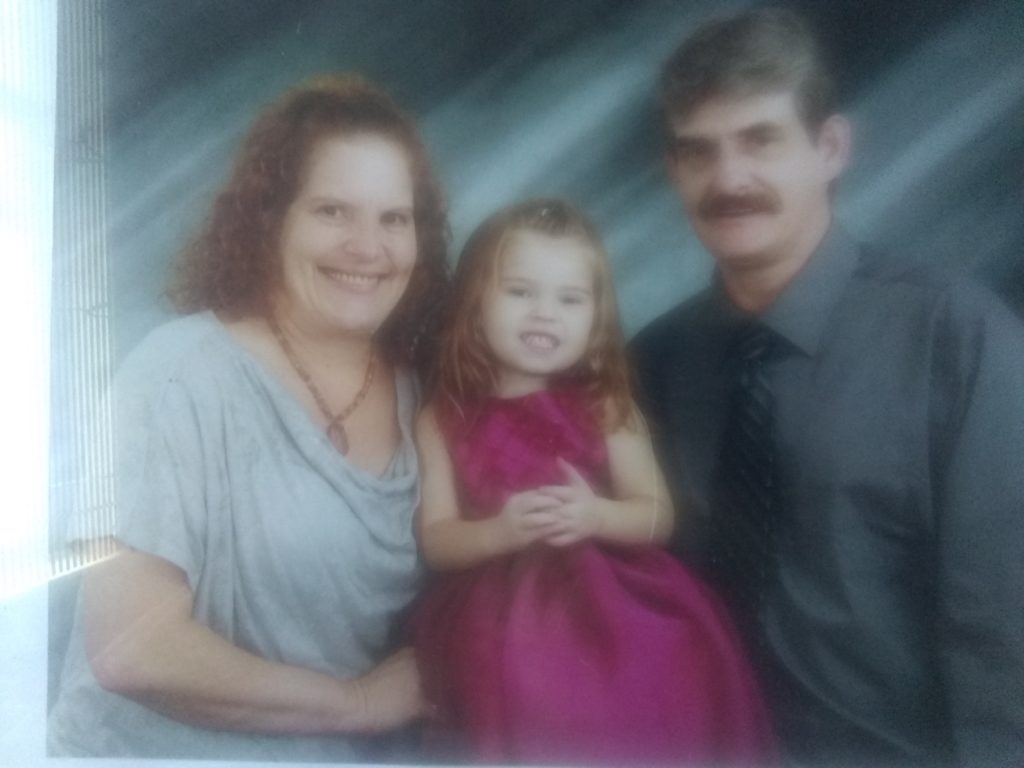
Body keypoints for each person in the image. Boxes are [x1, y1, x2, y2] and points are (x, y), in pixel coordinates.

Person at [630, 7, 1024, 768]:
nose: (729, 179)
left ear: (831, 147)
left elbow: (1005, 633)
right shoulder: (653, 365)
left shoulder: (958, 341)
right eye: (698, 151)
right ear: (673, 171)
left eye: (760, 140)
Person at [47, 74, 450, 761]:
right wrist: (355, 704)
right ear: (270, 221)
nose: (368, 246)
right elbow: (130, 647)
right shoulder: (178, 375)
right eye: (332, 211)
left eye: (394, 218)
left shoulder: (429, 400)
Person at [411, 198, 775, 766]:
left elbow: (656, 513)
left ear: (595, 318)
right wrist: (499, 532)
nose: (545, 314)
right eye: (520, 291)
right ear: (476, 300)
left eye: (570, 299)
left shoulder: (604, 404)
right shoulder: (442, 415)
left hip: (611, 601)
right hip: (497, 615)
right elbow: (436, 536)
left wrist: (596, 515)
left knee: (653, 679)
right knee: (516, 690)